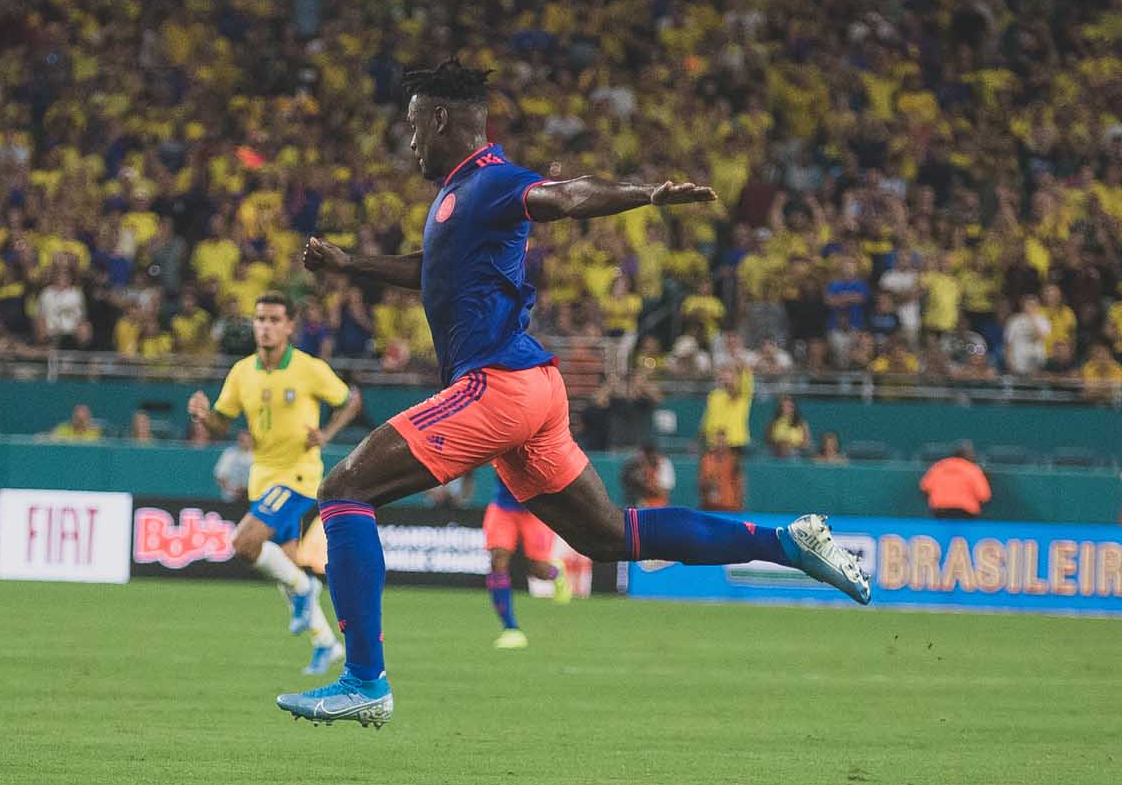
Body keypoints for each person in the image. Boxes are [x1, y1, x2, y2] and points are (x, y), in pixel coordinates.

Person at [281, 61, 869, 727]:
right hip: (533, 389)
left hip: (497, 384)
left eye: (414, 125)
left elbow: (564, 197)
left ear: (441, 118)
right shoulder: (460, 194)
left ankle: (364, 680)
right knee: (610, 535)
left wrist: (646, 195)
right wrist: (350, 263)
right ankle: (789, 542)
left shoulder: (491, 178)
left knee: (344, 490)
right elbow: (433, 273)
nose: (409, 140)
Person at [189, 291, 364, 675]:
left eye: (273, 320)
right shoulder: (242, 372)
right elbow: (222, 423)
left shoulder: (308, 368)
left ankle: (307, 589)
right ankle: (326, 642)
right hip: (263, 477)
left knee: (244, 544)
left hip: (299, 474)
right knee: (285, 567)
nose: (265, 327)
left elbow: (351, 400)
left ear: (289, 327)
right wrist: (204, 417)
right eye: (260, 319)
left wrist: (326, 434)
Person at [481, 475, 570, 651]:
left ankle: (557, 573)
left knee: (539, 570)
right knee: (497, 561)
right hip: (502, 508)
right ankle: (511, 629)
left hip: (535, 511)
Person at [921, 442, 991, 519]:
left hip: (940, 511)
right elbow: (984, 495)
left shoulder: (939, 466)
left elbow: (924, 487)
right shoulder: (972, 469)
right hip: (965, 512)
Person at [697, 432, 745, 512]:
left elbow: (740, 482)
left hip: (730, 506)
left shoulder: (733, 459)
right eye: (718, 442)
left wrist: (740, 503)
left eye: (723, 442)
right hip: (709, 507)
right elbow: (701, 482)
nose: (720, 445)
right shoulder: (707, 460)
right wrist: (709, 487)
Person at [618, 441, 673, 508]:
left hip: (657, 506)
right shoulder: (632, 466)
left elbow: (664, 492)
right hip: (638, 504)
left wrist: (646, 483)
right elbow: (626, 483)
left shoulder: (663, 463)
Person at [213, 431, 254, 501]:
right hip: (230, 495)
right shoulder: (230, 453)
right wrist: (231, 489)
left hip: (251, 494)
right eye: (242, 441)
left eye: (248, 441)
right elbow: (220, 476)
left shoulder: (258, 455)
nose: (245, 444)